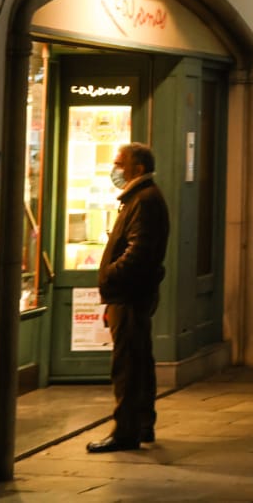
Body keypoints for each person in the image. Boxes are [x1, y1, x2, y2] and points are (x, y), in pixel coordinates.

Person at [87, 143, 170, 453]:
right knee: (139, 360)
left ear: (137, 168)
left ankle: (126, 431)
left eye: (119, 163)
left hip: (130, 294)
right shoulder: (140, 198)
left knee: (127, 365)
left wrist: (110, 275)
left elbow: (139, 250)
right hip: (133, 292)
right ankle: (143, 423)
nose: (114, 168)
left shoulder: (145, 200)